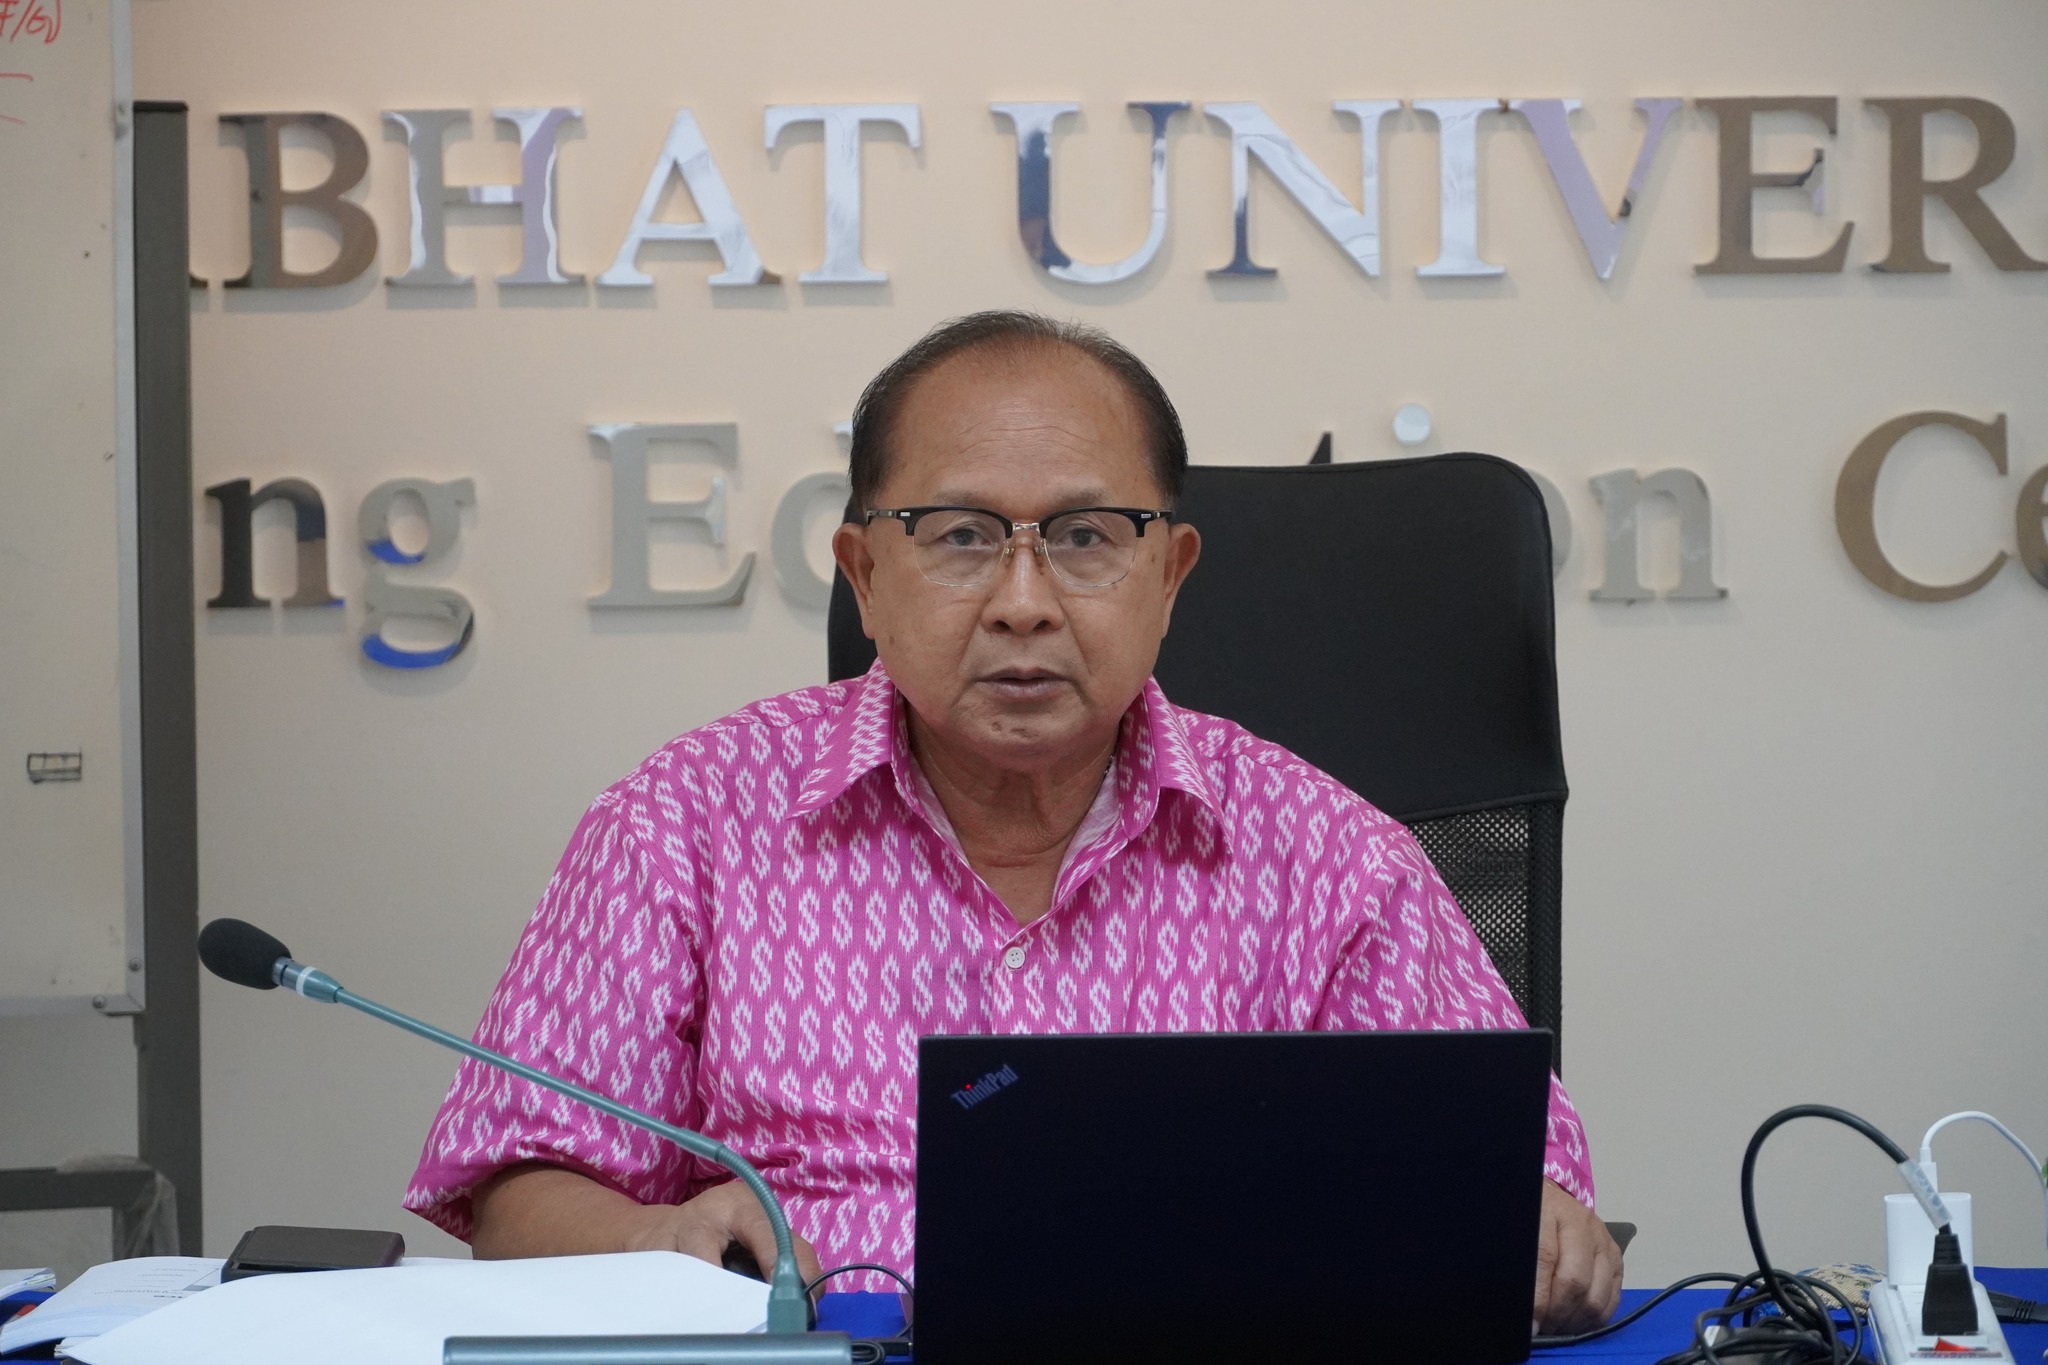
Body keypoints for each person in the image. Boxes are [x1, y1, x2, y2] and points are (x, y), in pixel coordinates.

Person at [403, 310, 1623, 1332]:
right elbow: (516, 1186)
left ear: (1170, 576)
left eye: (1086, 538)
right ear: (863, 575)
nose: (1023, 603)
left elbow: (1523, 1191)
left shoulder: (1331, 858)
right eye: (961, 538)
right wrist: (655, 1238)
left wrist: (1533, 1229)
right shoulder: (683, 826)